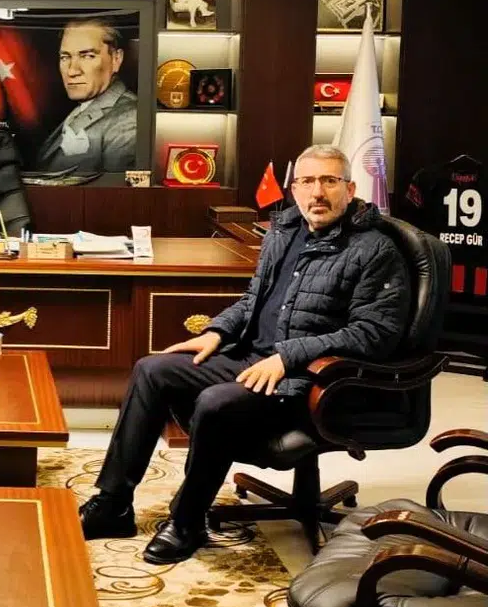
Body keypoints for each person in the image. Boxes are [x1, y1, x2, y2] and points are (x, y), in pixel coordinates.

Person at [78, 145, 412, 564]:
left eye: (329, 181)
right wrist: (217, 333)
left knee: (214, 401)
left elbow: (374, 334)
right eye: (307, 181)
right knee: (151, 370)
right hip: (251, 357)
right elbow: (254, 299)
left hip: (307, 380)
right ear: (294, 189)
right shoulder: (284, 231)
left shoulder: (374, 250)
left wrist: (287, 356)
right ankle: (113, 504)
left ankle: (187, 521)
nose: (317, 192)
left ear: (350, 188)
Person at [35, 18, 137, 174]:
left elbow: (117, 187)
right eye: (65, 57)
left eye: (87, 56)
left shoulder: (129, 119)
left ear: (116, 59)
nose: (72, 71)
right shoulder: (85, 107)